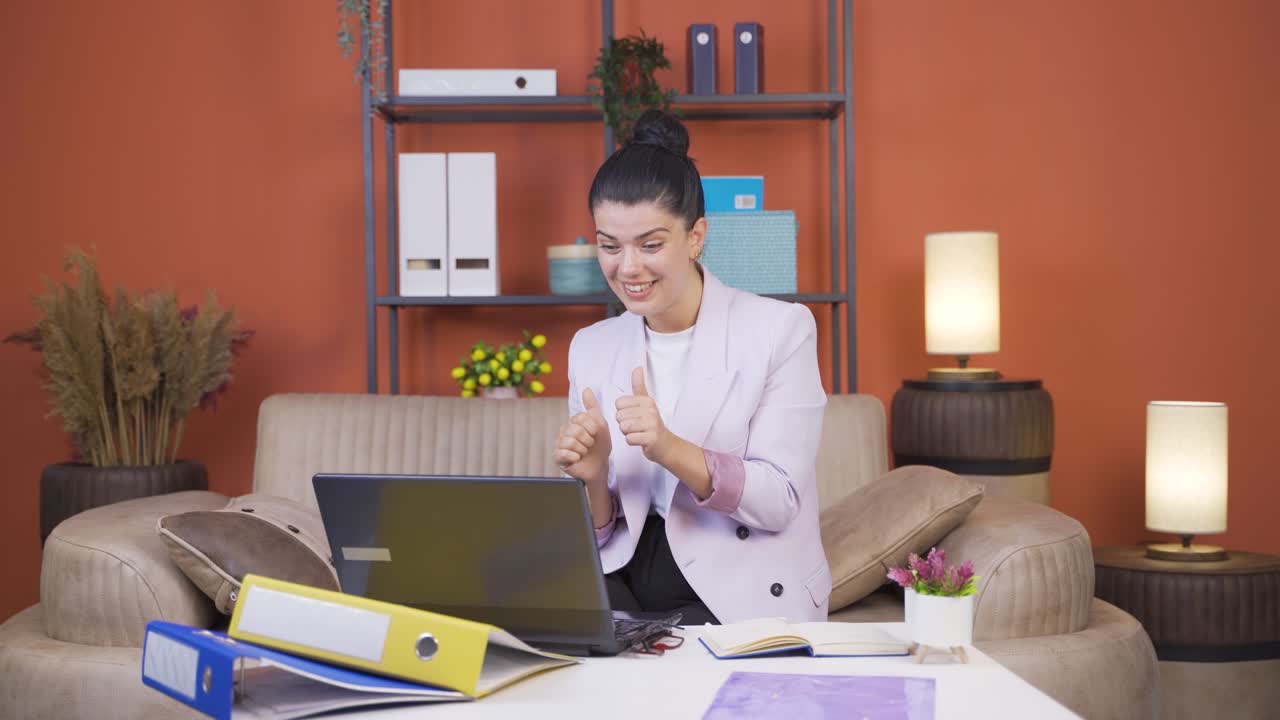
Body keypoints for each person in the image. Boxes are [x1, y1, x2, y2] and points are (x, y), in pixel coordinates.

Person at [552, 110, 829, 626]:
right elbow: (603, 532)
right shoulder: (591, 347)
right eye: (609, 245)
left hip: (736, 582)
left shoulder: (780, 330)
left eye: (650, 244)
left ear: (696, 236)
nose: (627, 267)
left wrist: (669, 448)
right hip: (626, 575)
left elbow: (779, 502)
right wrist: (591, 478)